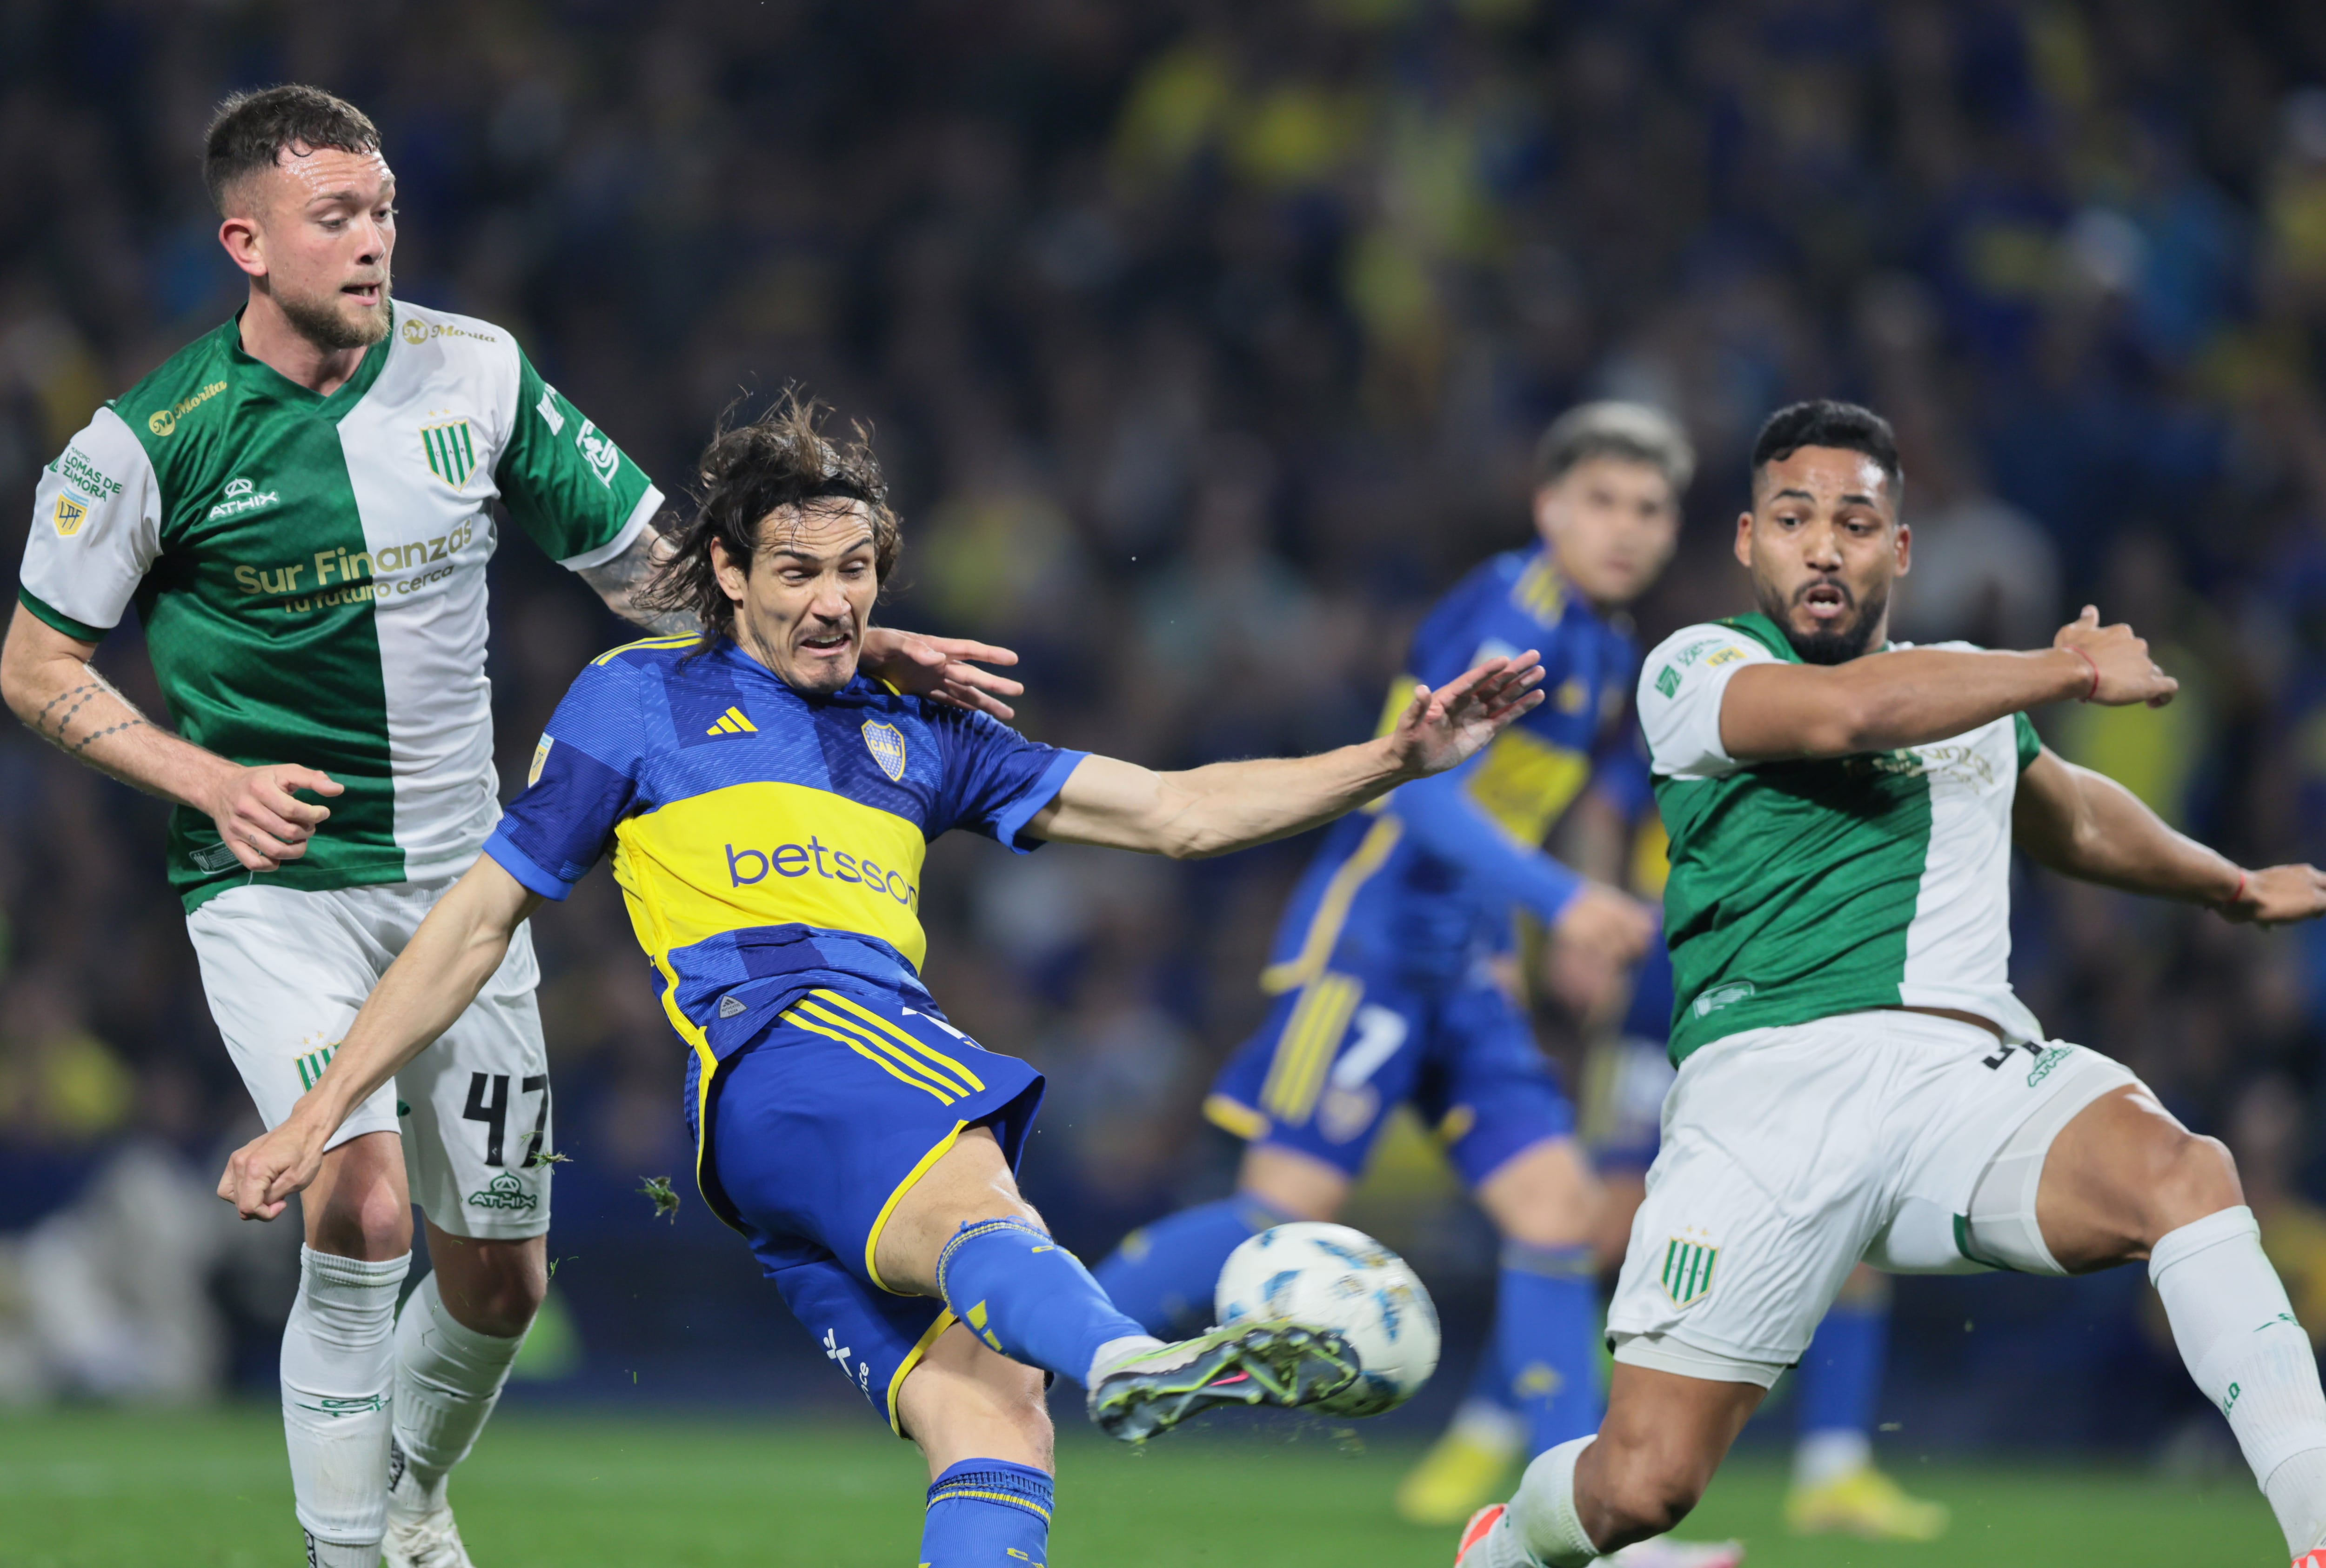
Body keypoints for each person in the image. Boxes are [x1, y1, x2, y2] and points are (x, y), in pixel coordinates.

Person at [216, 394, 1548, 1568]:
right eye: (796, 569)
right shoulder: (637, 701)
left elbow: (1178, 812)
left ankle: (1090, 1357)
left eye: (856, 570)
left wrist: (1396, 759)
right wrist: (322, 1107)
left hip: (789, 1145)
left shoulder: (923, 734)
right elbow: (471, 921)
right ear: (725, 572)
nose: (833, 600)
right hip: (788, 1038)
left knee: (992, 1409)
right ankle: (1128, 1354)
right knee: (987, 1208)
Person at [3, 86, 1013, 1568]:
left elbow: (663, 574)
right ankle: (351, 1552)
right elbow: (35, 665)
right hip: (268, 885)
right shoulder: (142, 445)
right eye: (334, 216)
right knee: (358, 1209)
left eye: (385, 209)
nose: (372, 241)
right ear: (246, 240)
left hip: (465, 885)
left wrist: (848, 635)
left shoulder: (479, 376)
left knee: (501, 1282)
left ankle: (407, 1496)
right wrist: (205, 781)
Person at [1457, 400, 2326, 1568]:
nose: (1823, 546)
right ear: (1747, 542)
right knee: (1642, 1487)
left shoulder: (1971, 685)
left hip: (1963, 1084)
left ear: (1898, 549)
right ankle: (1507, 1545)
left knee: (2186, 1173)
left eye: (1856, 523)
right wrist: (2064, 667)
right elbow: (1849, 713)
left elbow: (2064, 812)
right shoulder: (1696, 668)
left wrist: (2228, 887)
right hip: (1762, 1106)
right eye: (1793, 519)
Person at [1091, 404, 1731, 1565]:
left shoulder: (1606, 642)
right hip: (1373, 945)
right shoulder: (1505, 610)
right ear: (1548, 509)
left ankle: (1591, 1532)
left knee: (1555, 1217)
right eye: (1601, 502)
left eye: (1648, 509)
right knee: (1282, 1212)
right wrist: (1567, 906)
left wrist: (1572, 917)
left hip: (1468, 966)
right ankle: (1038, 1336)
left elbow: (1584, 801)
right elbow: (1418, 788)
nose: (1626, 529)